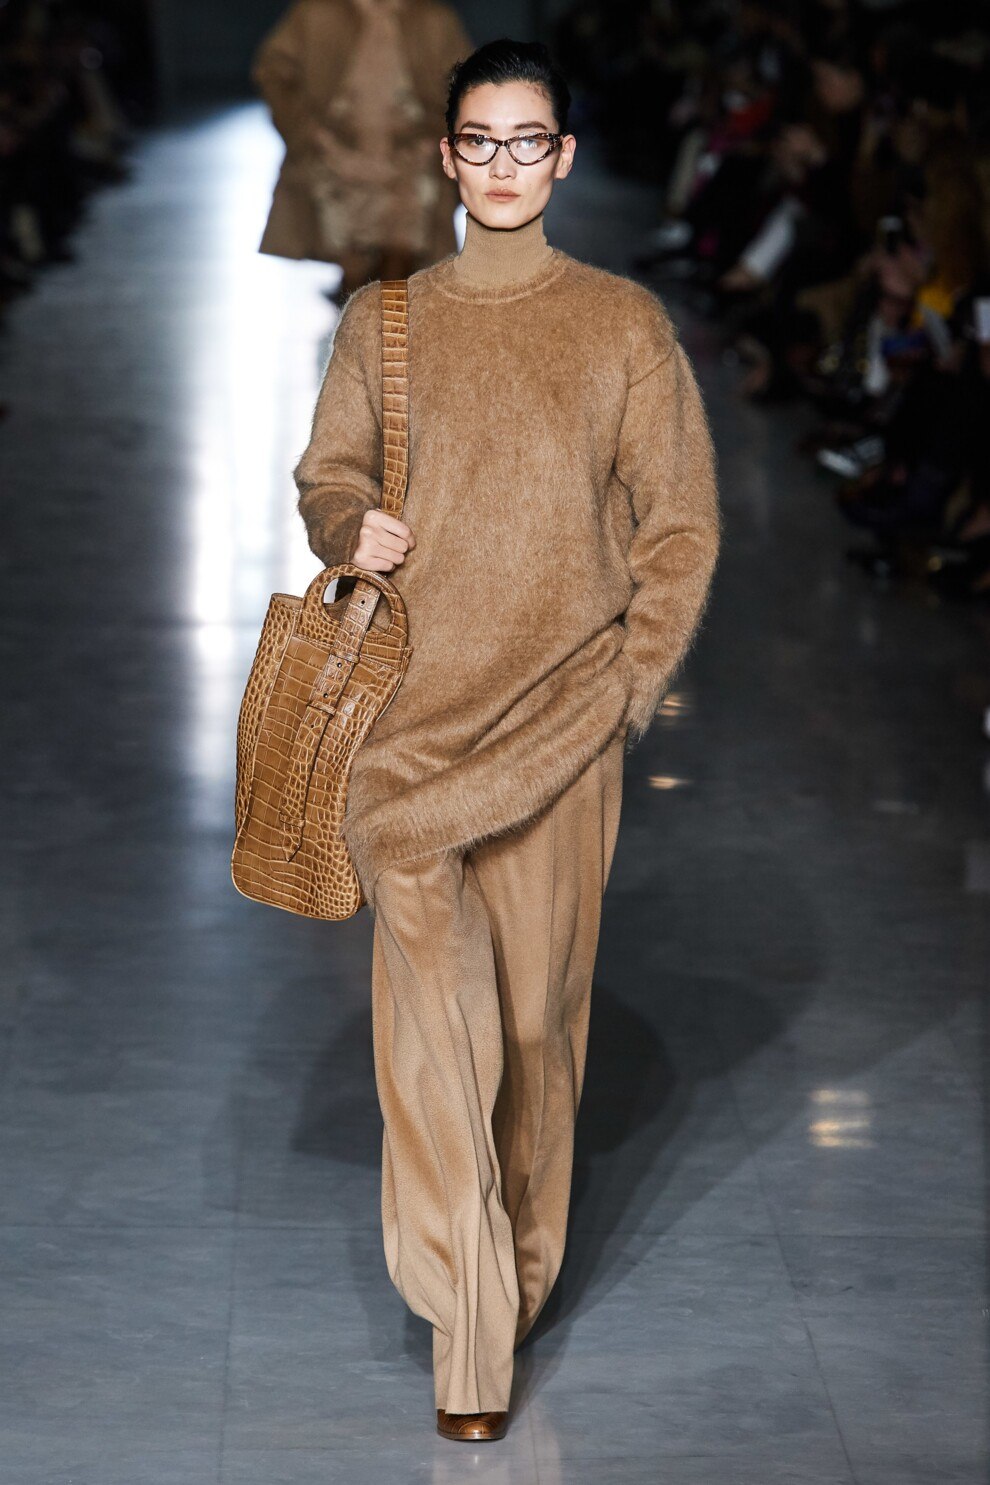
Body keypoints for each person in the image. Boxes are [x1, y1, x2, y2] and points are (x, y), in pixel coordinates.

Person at [293, 37, 722, 1442]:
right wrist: (347, 522)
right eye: (477, 141)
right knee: (435, 1043)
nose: (500, 165)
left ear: (564, 158)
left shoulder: (619, 328)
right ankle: (466, 1323)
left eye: (526, 141)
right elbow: (329, 468)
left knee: (537, 1036)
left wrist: (627, 690)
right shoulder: (388, 320)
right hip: (408, 734)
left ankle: (510, 1280)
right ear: (447, 156)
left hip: (560, 729)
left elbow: (678, 529)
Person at [252, 0, 471, 293]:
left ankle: (385, 315)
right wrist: (307, 131)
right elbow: (274, 70)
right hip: (335, 156)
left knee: (400, 261)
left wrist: (441, 136)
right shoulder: (317, 14)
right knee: (354, 261)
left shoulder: (433, 19)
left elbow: (469, 82)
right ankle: (360, 308)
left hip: (414, 161)